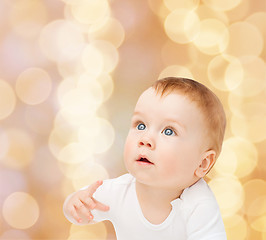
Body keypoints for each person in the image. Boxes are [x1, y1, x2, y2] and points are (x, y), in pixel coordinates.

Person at [63, 77, 227, 240]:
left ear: (202, 163)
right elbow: (78, 209)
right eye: (141, 125)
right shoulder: (120, 191)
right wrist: (75, 205)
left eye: (169, 131)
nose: (145, 139)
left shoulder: (199, 205)